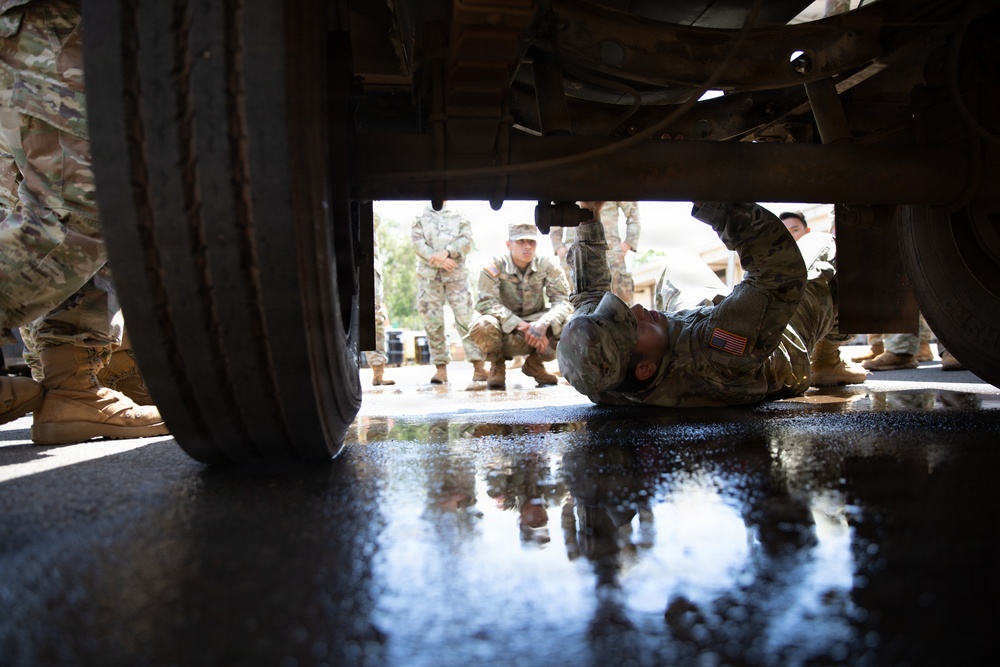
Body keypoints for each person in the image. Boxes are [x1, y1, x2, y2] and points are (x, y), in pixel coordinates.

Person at [0, 0, 168, 443]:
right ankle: (75, 379)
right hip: (53, 20)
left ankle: (73, 384)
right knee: (75, 215)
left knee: (73, 207)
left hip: (63, 24)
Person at [557, 201, 863, 407]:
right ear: (646, 368)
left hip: (693, 327)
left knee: (679, 264)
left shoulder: (602, 377)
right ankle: (826, 357)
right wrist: (710, 195)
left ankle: (730, 302)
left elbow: (589, 296)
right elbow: (777, 272)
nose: (637, 310)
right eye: (635, 325)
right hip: (781, 344)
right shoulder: (715, 354)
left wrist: (589, 214)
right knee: (822, 248)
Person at [469, 223, 573, 389]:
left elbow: (563, 300)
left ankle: (534, 363)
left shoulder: (547, 265)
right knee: (483, 325)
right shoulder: (495, 265)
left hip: (537, 328)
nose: (527, 246)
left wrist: (544, 322)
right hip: (506, 328)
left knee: (570, 322)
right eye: (521, 241)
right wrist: (518, 324)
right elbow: (484, 301)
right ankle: (497, 364)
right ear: (509, 245)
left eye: (532, 242)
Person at [411, 201, 486, 384]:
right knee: (433, 321)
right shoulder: (420, 217)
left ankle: (479, 367)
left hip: (456, 275)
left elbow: (467, 240)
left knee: (466, 320)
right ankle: (441, 369)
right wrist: (436, 259)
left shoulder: (460, 215)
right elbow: (417, 242)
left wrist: (447, 252)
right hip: (429, 277)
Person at [551, 201, 641, 303]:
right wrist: (559, 247)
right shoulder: (571, 186)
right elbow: (555, 212)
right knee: (571, 302)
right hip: (575, 251)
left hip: (609, 252)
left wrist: (628, 243)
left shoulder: (616, 185)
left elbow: (633, 213)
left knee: (617, 304)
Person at [365, 212, 395, 386]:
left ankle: (378, 372)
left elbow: (374, 217)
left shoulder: (373, 208)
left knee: (375, 317)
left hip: (368, 265)